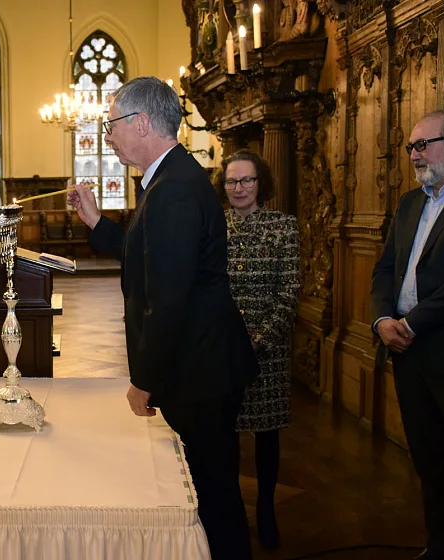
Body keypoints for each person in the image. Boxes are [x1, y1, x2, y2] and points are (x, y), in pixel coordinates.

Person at [67, 76, 259, 560]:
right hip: (202, 363)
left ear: (142, 123)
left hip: (201, 369)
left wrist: (145, 379)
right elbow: (145, 256)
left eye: (112, 124)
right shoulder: (170, 178)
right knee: (209, 488)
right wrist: (95, 222)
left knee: (213, 493)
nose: (107, 135)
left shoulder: (172, 188)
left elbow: (168, 296)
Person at [370, 110, 444, 560]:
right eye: (411, 148)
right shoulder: (409, 203)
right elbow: (385, 271)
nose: (415, 155)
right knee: (430, 462)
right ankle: (442, 550)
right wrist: (383, 321)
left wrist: (413, 322)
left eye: (424, 145)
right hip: (406, 354)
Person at [214, 150, 301, 549]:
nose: (238, 188)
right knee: (225, 435)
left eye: (246, 181)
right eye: (232, 181)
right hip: (222, 350)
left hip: (268, 349)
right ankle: (230, 510)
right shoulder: (214, 226)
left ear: (260, 184)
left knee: (266, 435)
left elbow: (289, 292)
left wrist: (260, 339)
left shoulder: (284, 227)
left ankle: (266, 507)